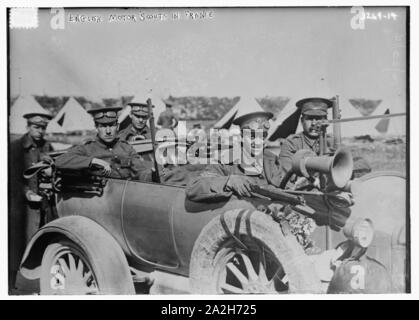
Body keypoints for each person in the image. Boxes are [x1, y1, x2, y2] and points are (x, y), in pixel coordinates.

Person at [186, 110, 286, 202]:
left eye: (262, 136)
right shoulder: (227, 159)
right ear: (242, 137)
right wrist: (228, 181)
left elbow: (285, 187)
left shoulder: (272, 160)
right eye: (251, 136)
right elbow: (194, 187)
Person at [9, 110, 54, 289]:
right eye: (36, 127)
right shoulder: (15, 147)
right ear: (28, 127)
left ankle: (41, 286)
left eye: (43, 128)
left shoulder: (47, 147)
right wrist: (27, 192)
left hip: (43, 204)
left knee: (42, 244)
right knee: (15, 246)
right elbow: (11, 178)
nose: (40, 131)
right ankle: (10, 287)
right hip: (22, 207)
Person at [279, 97, 371, 179]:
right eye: (310, 118)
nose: (314, 123)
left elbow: (364, 165)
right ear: (302, 121)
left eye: (318, 118)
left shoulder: (332, 141)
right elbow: (289, 177)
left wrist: (340, 168)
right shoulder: (292, 143)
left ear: (326, 121)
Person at [55, 106, 154, 181]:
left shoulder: (126, 148)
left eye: (111, 125)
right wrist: (94, 161)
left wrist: (153, 173)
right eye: (103, 126)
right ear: (96, 127)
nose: (108, 131)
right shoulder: (88, 148)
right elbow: (60, 161)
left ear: (117, 126)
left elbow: (140, 171)